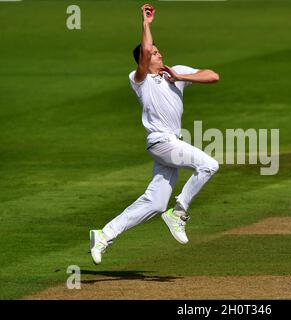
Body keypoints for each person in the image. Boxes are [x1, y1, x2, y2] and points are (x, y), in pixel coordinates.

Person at [89, 4, 220, 265]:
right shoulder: (139, 80)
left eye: (159, 52)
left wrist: (180, 76)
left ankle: (103, 234)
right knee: (209, 164)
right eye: (155, 54)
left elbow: (213, 76)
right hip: (160, 142)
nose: (159, 56)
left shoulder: (175, 72)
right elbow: (145, 50)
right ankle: (179, 212)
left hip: (172, 145)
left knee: (156, 203)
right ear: (145, 61)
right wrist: (146, 24)